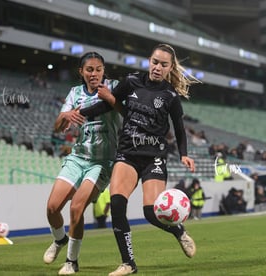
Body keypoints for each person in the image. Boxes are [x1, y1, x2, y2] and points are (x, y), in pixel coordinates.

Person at [79, 43, 199, 276]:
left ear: (170, 67)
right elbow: (108, 104)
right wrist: (79, 114)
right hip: (127, 153)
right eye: (155, 62)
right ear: (149, 60)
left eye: (163, 64)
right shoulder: (131, 82)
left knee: (151, 213)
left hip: (154, 157)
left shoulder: (171, 96)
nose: (157, 67)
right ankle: (128, 263)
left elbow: (180, 129)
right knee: (116, 205)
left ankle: (179, 232)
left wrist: (184, 154)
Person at [43, 52, 122, 275]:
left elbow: (125, 111)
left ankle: (71, 261)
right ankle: (59, 240)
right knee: (52, 208)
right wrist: (66, 115)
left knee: (77, 207)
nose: (94, 73)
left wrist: (110, 98)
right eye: (89, 69)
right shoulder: (75, 93)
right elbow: (57, 128)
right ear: (81, 72)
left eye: (98, 69)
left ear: (104, 70)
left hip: (103, 161)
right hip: (78, 157)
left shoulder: (114, 86)